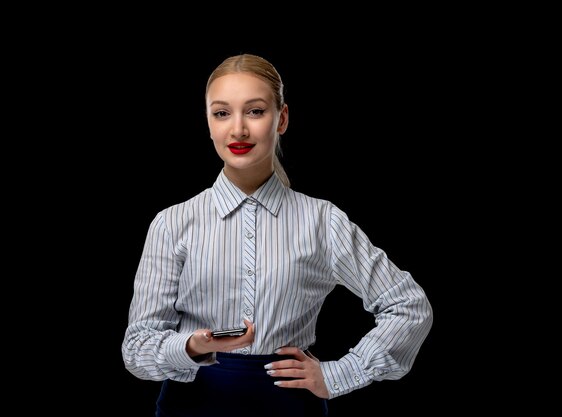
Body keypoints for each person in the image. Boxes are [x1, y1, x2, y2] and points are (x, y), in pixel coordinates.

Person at [122, 53, 433, 417]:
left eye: (255, 111)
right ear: (208, 123)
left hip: (291, 409)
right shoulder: (172, 223)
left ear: (281, 118)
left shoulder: (322, 221)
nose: (238, 130)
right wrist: (191, 347)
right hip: (189, 408)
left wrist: (339, 374)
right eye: (222, 113)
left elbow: (408, 305)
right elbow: (137, 349)